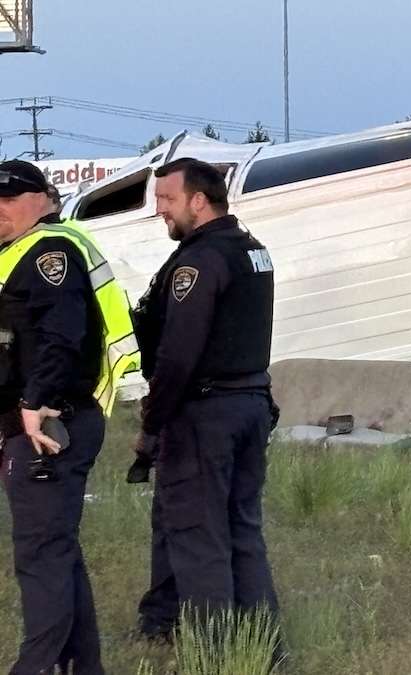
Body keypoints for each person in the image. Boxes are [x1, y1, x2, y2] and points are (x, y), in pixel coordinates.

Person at [129, 157, 279, 640]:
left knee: (200, 535)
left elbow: (179, 355)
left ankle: (215, 652)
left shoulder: (200, 260)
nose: (160, 211)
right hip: (250, 404)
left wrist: (153, 424)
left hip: (206, 414)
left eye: (167, 199)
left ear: (199, 200)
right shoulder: (251, 249)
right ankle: (259, 645)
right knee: (241, 531)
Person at [0, 160, 139, 674]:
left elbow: (63, 335)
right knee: (56, 551)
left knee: (40, 557)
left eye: (10, 198)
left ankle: (35, 667)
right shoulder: (23, 251)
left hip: (49, 424)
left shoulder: (49, 252)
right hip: (44, 421)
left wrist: (34, 405)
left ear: (44, 199)